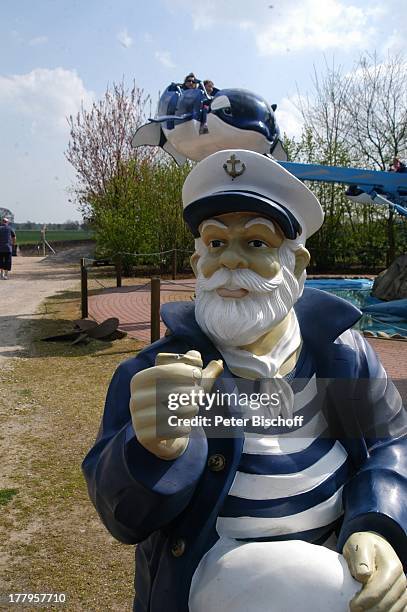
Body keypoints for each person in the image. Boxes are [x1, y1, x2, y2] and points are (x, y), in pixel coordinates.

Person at [83, 150, 407, 612]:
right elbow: (124, 520)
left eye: (255, 244)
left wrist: (377, 522)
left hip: (339, 557)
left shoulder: (340, 355)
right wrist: (147, 453)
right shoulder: (155, 373)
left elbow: (390, 447)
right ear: (198, 258)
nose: (229, 261)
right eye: (215, 243)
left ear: (295, 266)